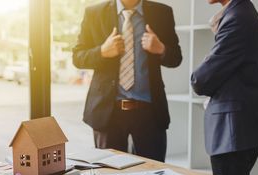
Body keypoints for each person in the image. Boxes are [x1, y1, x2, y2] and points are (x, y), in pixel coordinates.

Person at [191, 0, 258, 175]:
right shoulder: (238, 13)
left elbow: (202, 79)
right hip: (236, 129)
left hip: (233, 132)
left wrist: (197, 74)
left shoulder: (238, 17)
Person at [73, 0, 182, 162]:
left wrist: (161, 49)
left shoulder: (162, 12)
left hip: (150, 114)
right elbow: (78, 57)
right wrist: (102, 51)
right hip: (108, 113)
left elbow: (176, 58)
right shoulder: (94, 13)